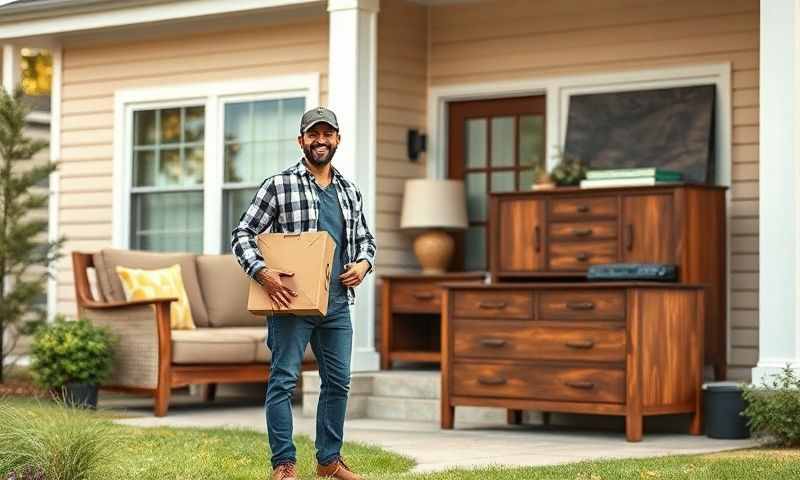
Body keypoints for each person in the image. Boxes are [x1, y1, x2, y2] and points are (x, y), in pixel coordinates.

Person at [231, 106, 376, 480]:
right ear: (302, 141)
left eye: (328, 134)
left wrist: (363, 264)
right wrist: (262, 273)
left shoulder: (349, 191)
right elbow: (242, 234)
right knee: (283, 380)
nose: (321, 140)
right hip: (289, 302)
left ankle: (328, 461)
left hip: (338, 303)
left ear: (337, 140)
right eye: (314, 134)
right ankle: (283, 463)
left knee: (338, 383)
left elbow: (364, 241)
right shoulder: (279, 185)